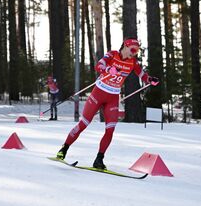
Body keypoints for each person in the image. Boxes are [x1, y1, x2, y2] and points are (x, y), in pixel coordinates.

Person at [55, 38, 159, 169]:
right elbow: (99, 65)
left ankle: (99, 159)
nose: (135, 53)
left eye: (137, 50)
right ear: (125, 46)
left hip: (113, 98)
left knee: (110, 130)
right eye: (133, 49)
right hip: (98, 94)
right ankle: (63, 149)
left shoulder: (133, 62)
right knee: (83, 124)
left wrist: (150, 80)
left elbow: (142, 75)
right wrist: (108, 69)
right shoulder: (112, 55)